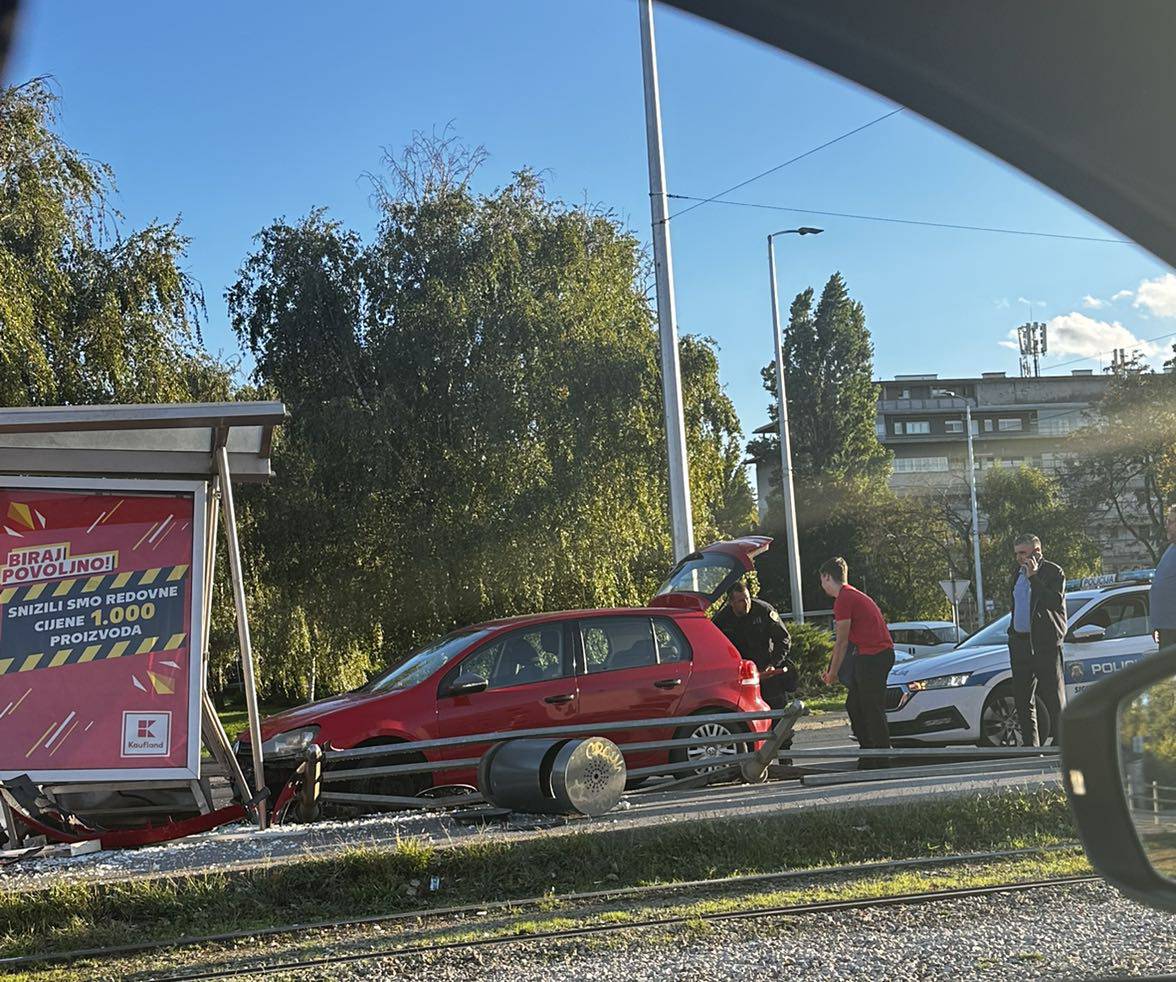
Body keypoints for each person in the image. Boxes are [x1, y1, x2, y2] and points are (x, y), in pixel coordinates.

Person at [819, 557, 895, 768]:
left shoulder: (843, 599)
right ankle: (870, 751)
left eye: (822, 580)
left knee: (871, 707)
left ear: (826, 577)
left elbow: (841, 642)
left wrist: (832, 674)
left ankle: (880, 756)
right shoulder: (851, 595)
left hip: (874, 655)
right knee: (855, 704)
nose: (822, 585)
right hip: (873, 654)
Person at [1007, 533, 1067, 747]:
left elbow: (1054, 601)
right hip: (1020, 643)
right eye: (1016, 554)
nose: (1018, 558)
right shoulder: (1017, 573)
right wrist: (1012, 634)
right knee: (1023, 699)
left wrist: (1034, 577)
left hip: (1045, 644)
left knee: (1053, 696)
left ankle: (1062, 745)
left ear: (1037, 552)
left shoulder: (1053, 572)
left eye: (1023, 553)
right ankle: (1031, 747)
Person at [713, 580, 796, 710]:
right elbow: (715, 648)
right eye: (740, 601)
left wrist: (774, 663)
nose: (746, 603)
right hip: (741, 676)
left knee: (777, 710)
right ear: (731, 602)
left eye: (747, 598)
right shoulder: (722, 620)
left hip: (767, 671)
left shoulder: (764, 611)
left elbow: (783, 638)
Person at [1151, 504, 1176, 654]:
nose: (1167, 526)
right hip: (1166, 628)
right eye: (1167, 521)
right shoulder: (1170, 549)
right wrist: (1156, 623)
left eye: (1171, 522)